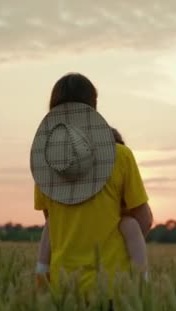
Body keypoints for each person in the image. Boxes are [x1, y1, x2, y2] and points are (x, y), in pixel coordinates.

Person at [30, 73, 152, 298]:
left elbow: (52, 223)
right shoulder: (121, 156)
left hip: (63, 288)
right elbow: (144, 219)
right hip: (113, 287)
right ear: (93, 108)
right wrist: (124, 233)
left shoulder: (45, 165)